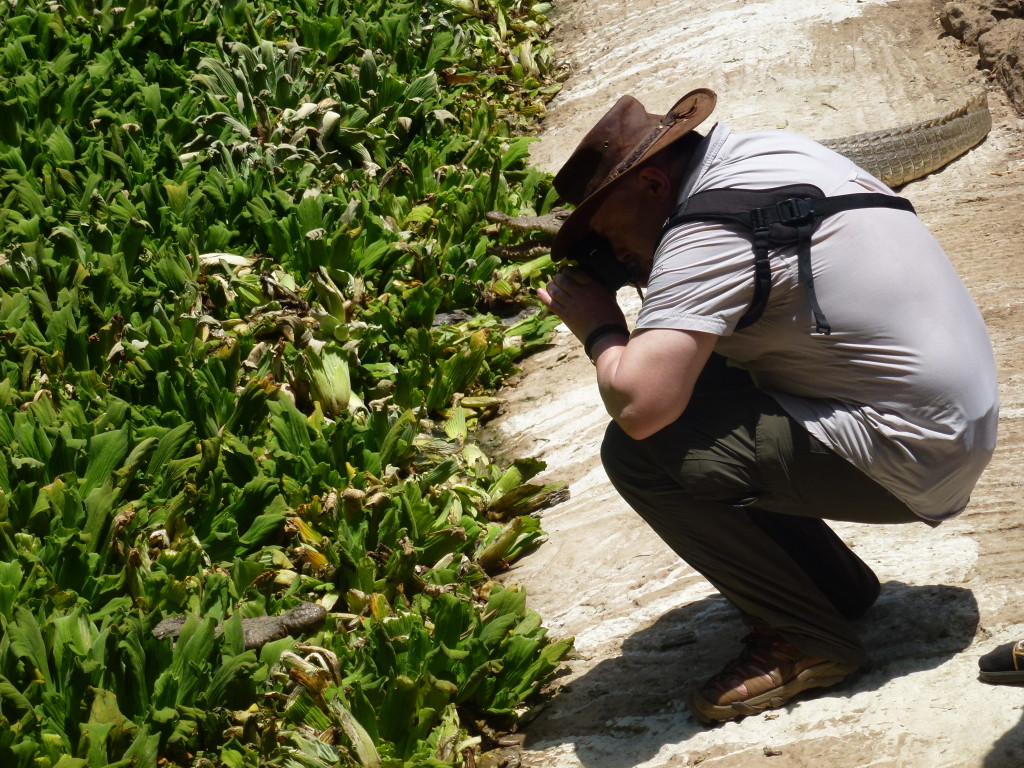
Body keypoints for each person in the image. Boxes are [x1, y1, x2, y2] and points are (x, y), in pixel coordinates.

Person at [537, 88, 999, 723]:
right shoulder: (764, 154)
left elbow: (641, 402)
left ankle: (808, 641)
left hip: (911, 452)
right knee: (700, 377)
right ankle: (833, 591)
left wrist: (599, 328)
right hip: (950, 423)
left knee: (643, 445)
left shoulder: (704, 229)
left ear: (650, 182)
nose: (617, 255)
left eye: (610, 232)